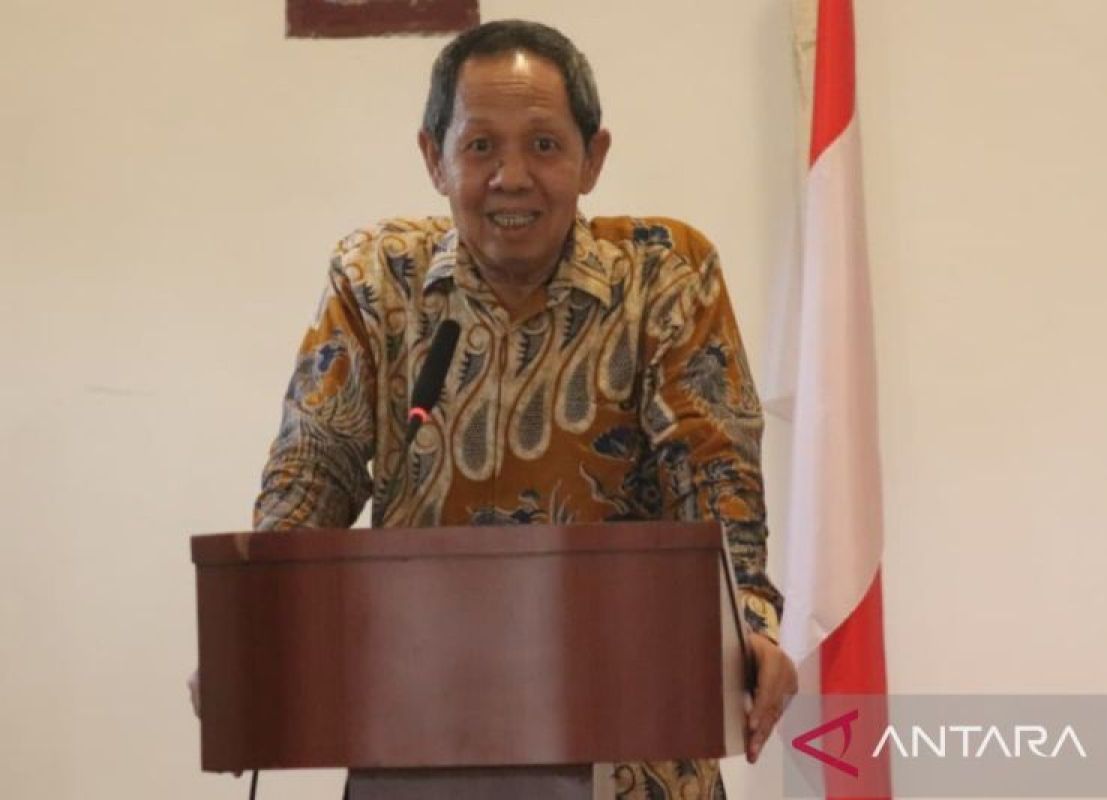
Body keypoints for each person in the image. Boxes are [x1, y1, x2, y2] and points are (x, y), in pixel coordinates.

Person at [250, 19, 797, 799]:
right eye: (480, 147)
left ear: (592, 157)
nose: (512, 177)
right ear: (434, 158)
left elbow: (715, 482)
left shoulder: (663, 277)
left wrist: (750, 623)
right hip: (422, 738)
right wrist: (255, 633)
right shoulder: (377, 281)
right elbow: (314, 467)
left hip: (632, 747)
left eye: (544, 145)